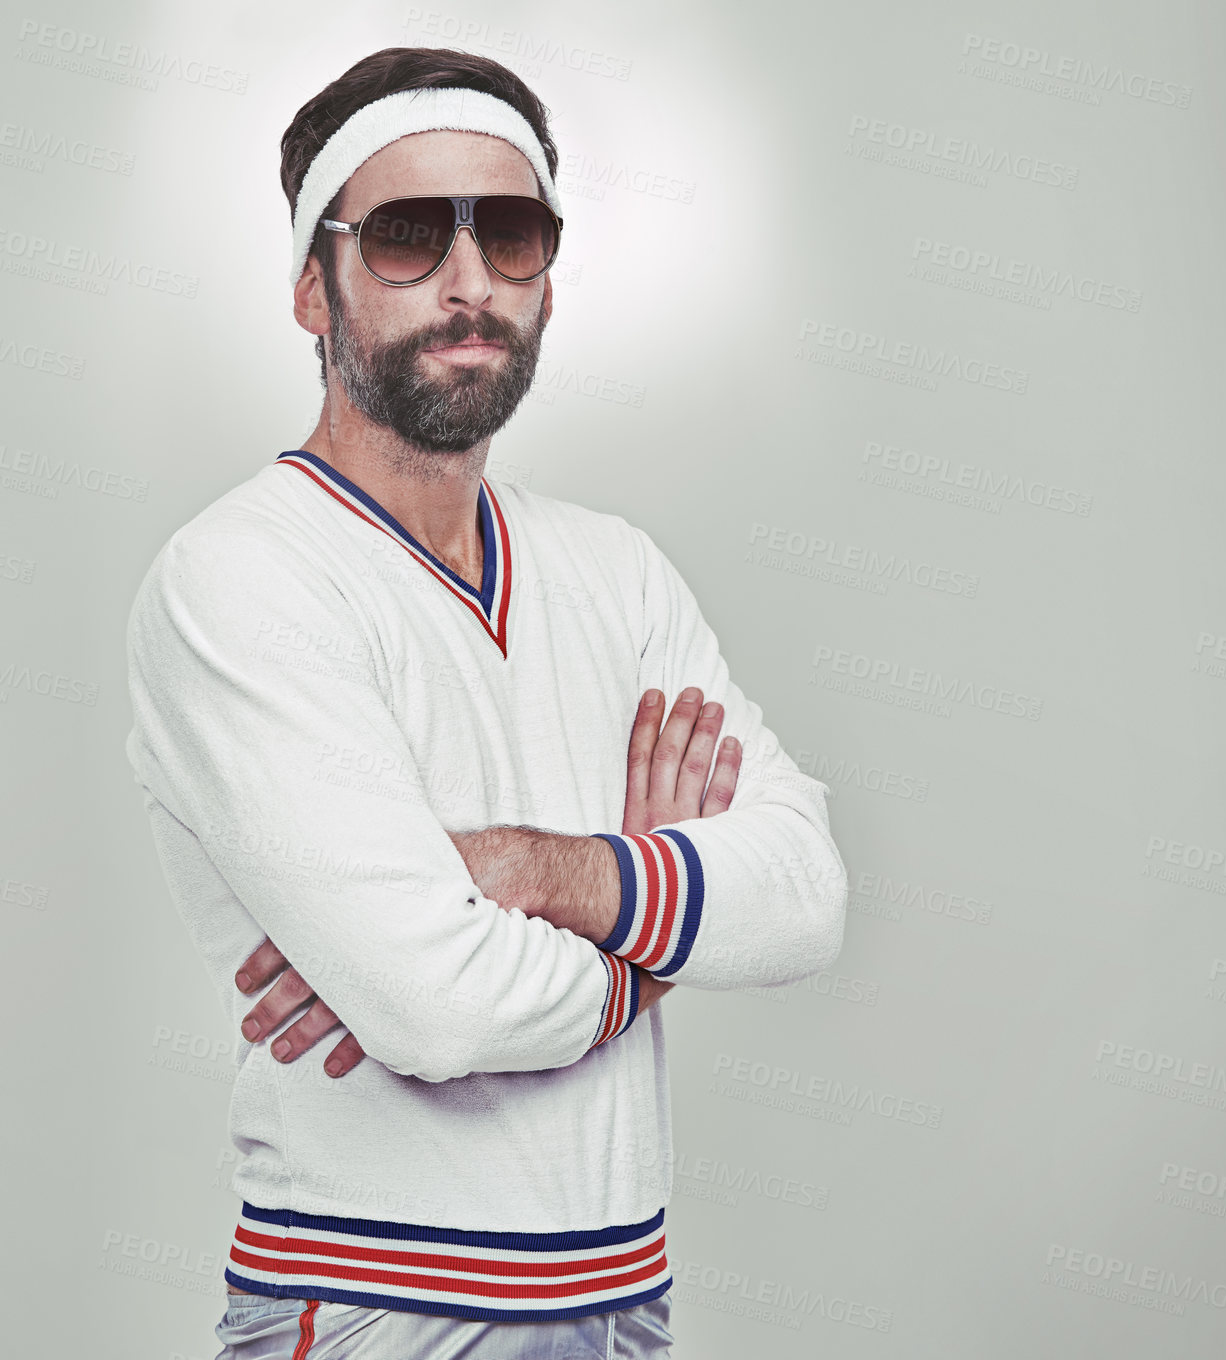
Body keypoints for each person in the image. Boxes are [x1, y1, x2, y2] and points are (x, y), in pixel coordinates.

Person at [122, 45, 847, 1360]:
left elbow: (802, 892)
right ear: (309, 286)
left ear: (548, 279)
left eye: (507, 234)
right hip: (374, 1310)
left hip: (622, 1300)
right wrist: (664, 922)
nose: (467, 283)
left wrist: (530, 872)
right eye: (405, 235)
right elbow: (437, 1008)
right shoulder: (237, 577)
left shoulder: (614, 568)